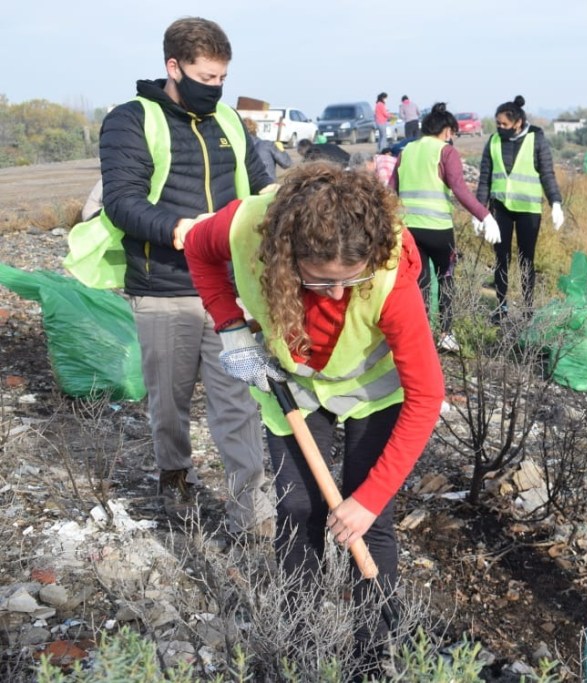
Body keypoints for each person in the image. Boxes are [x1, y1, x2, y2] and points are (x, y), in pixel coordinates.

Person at [183, 161, 444, 644]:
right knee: (299, 510)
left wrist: (366, 501)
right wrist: (231, 328)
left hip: (372, 392)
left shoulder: (391, 272)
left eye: (352, 278)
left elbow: (428, 395)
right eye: (322, 282)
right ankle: (300, 645)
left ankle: (372, 655)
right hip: (295, 389)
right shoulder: (247, 227)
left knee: (370, 524)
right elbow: (198, 250)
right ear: (287, 255)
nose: (339, 293)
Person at [98, 16, 276, 538]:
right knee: (169, 401)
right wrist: (180, 230)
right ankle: (174, 476)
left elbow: (263, 188)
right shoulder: (131, 120)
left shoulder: (229, 124)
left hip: (226, 289)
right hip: (164, 288)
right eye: (205, 78)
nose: (214, 89)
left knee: (238, 401)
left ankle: (252, 510)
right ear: (173, 67)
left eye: (222, 79)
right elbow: (122, 202)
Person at [390, 102, 499, 353]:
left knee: (421, 283)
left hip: (409, 231)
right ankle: (446, 334)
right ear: (447, 131)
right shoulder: (446, 152)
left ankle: (421, 334)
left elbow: (390, 190)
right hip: (438, 230)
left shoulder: (406, 152)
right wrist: (485, 216)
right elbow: (460, 190)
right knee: (447, 279)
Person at [475, 95, 563, 322]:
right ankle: (501, 307)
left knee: (527, 259)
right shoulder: (493, 141)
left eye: (504, 124)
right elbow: (484, 178)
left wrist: (555, 202)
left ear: (518, 123)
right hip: (500, 208)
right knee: (501, 258)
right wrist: (478, 212)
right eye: (498, 124)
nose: (500, 128)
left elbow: (547, 174)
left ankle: (527, 309)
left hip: (528, 210)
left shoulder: (537, 141)